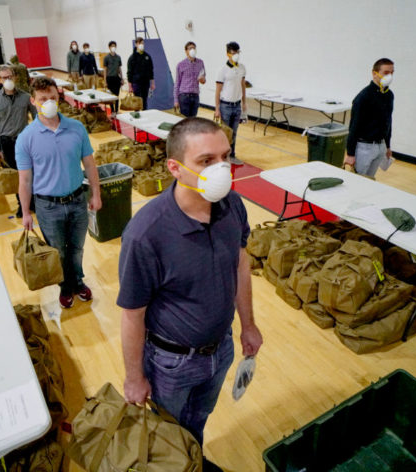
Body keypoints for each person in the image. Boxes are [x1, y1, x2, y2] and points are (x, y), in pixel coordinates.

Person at [118, 117, 263, 472]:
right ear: (175, 168)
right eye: (206, 161)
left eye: (225, 158)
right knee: (167, 435)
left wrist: (248, 325)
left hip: (221, 348)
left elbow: (240, 264)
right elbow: (132, 314)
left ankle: (191, 461)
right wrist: (134, 377)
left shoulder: (233, 206)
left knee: (197, 421)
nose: (222, 170)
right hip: (172, 363)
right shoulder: (146, 234)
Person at [16, 77, 102, 309]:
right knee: (58, 252)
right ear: (33, 101)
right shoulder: (26, 138)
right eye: (43, 99)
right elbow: (24, 180)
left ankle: (78, 281)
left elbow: (90, 164)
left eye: (53, 97)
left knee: (77, 248)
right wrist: (25, 212)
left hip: (77, 200)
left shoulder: (77, 128)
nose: (49, 102)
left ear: (59, 97)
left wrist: (96, 193)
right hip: (48, 206)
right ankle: (65, 286)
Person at [0, 65, 37, 217]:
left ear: (15, 77)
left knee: (31, 172)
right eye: (4, 78)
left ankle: (34, 202)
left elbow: (37, 118)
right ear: (0, 80)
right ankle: (22, 205)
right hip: (7, 143)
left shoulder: (25, 97)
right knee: (17, 176)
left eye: (10, 77)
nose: (7, 80)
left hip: (25, 141)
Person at [345, 58, 395, 178]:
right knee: (357, 181)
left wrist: (387, 146)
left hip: (380, 146)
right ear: (374, 73)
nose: (390, 76)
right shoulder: (363, 97)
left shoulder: (389, 95)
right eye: (386, 73)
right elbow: (354, 127)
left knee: (369, 180)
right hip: (364, 147)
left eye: (392, 73)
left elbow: (388, 121)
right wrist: (350, 154)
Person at [214, 41, 247, 165]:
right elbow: (218, 91)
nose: (236, 55)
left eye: (238, 52)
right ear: (228, 54)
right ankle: (221, 157)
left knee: (234, 133)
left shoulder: (242, 68)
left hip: (237, 105)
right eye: (233, 53)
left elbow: (243, 85)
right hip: (225, 105)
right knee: (224, 133)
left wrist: (244, 103)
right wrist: (217, 108)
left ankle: (232, 155)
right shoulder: (223, 70)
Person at [174, 41, 206, 117]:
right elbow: (177, 83)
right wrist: (176, 100)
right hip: (184, 96)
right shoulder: (181, 65)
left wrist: (202, 80)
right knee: (184, 120)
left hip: (195, 96)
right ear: (186, 51)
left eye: (194, 48)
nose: (193, 50)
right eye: (190, 48)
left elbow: (204, 80)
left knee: (193, 120)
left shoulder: (200, 63)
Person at [127, 37, 155, 110]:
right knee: (137, 101)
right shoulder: (132, 58)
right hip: (136, 83)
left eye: (142, 43)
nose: (141, 45)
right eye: (139, 43)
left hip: (145, 83)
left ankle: (144, 114)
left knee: (144, 101)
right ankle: (137, 116)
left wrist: (152, 83)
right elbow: (129, 73)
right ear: (136, 44)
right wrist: (130, 86)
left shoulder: (147, 56)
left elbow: (151, 70)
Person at [103, 41, 123, 113]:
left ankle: (117, 110)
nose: (113, 47)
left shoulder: (118, 57)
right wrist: (105, 81)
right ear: (109, 47)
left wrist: (122, 78)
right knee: (111, 95)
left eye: (114, 46)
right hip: (109, 78)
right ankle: (112, 110)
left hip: (116, 78)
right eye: (112, 46)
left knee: (117, 95)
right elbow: (105, 70)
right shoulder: (106, 58)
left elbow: (119, 68)